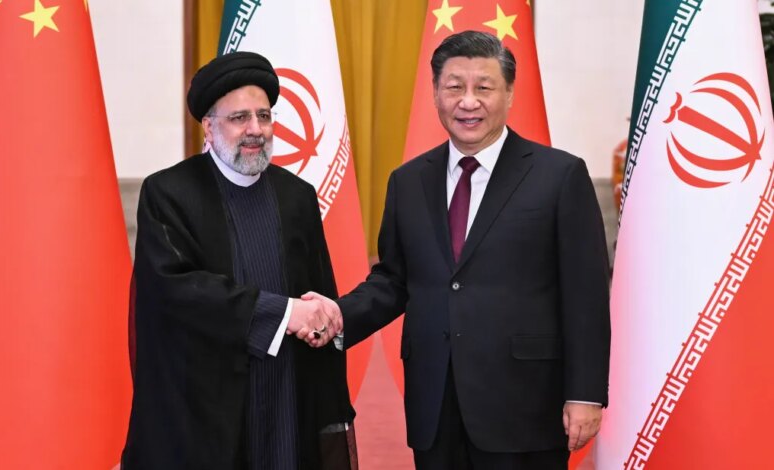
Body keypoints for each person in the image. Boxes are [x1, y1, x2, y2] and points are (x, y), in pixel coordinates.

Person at [306, 31, 610, 469]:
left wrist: (584, 394)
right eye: (454, 87)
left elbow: (585, 295)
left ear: (508, 93)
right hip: (435, 404)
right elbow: (393, 280)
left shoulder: (559, 176)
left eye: (483, 87)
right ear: (435, 94)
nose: (468, 102)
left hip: (524, 405)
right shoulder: (408, 181)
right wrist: (336, 317)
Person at [122, 51, 355, 470]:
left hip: (285, 393)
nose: (256, 130)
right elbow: (179, 293)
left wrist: (322, 319)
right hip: (205, 405)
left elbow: (319, 288)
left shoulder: (296, 196)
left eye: (264, 117)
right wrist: (285, 314)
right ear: (208, 128)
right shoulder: (169, 193)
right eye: (239, 118)